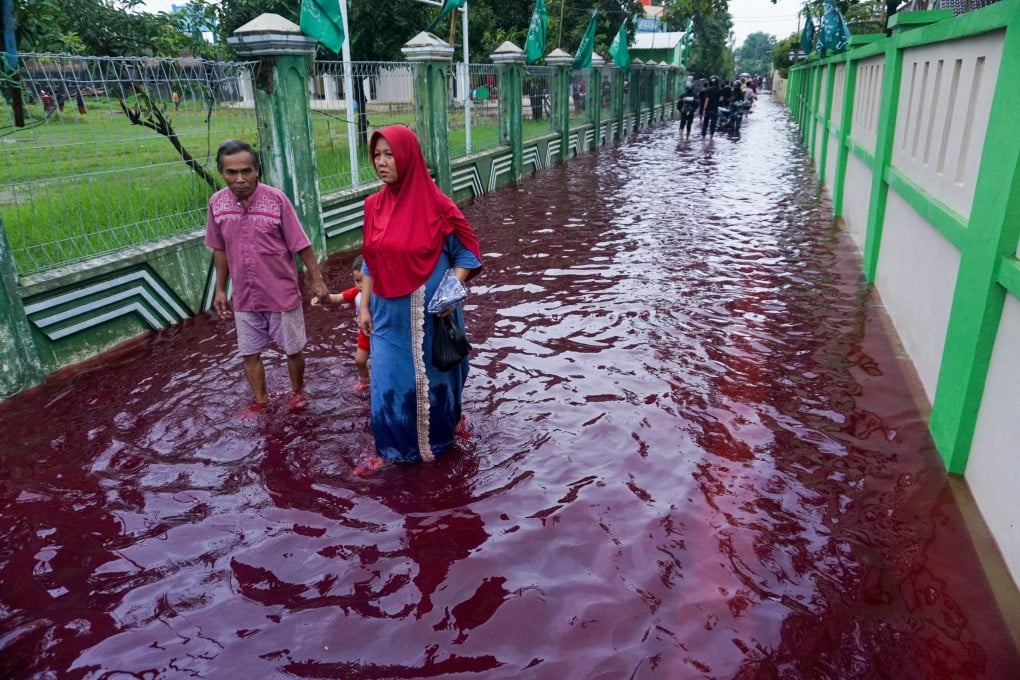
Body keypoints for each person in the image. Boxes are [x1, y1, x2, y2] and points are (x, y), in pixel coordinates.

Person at [359, 125, 483, 464]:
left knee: (436, 385)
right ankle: (390, 452)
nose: (381, 162)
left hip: (432, 319)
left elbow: (468, 255)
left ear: (408, 157)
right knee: (387, 386)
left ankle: (440, 445)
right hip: (387, 319)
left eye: (389, 155)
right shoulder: (373, 206)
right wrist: (364, 307)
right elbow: (370, 260)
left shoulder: (438, 206)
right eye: (377, 155)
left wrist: (450, 292)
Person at [205, 139, 329, 414]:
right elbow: (219, 249)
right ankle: (261, 401)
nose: (240, 179)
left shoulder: (276, 200)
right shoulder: (216, 205)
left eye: (246, 171)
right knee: (249, 352)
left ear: (257, 170)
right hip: (244, 296)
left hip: (281, 292)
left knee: (293, 349)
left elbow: (301, 243)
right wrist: (221, 290)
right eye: (231, 172)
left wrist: (316, 279)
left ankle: (297, 392)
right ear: (221, 173)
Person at [312, 255, 370, 391]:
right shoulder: (356, 293)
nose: (361, 285)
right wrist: (322, 299)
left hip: (380, 332)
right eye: (357, 281)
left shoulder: (381, 295)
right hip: (365, 332)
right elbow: (338, 297)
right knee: (359, 361)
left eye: (365, 281)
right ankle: (365, 382)